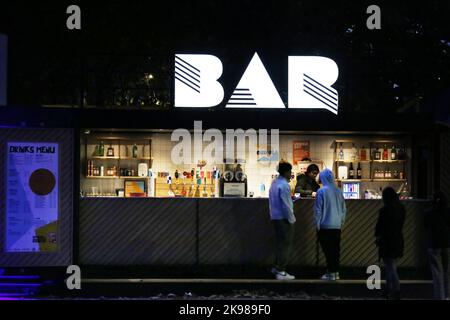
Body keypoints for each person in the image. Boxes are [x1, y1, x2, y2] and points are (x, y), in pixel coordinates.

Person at [314, 168, 346, 281]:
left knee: (327, 251)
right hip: (336, 226)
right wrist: (341, 222)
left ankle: (331, 273)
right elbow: (343, 209)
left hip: (325, 226)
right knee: (335, 250)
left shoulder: (321, 192)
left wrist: (317, 225)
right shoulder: (338, 191)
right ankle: (335, 272)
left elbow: (318, 211)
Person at [375, 187, 406, 300]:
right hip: (397, 239)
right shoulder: (401, 209)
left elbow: (379, 227)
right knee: (391, 265)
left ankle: (396, 290)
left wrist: (378, 236)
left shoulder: (384, 210)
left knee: (390, 266)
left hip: (387, 241)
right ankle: (388, 290)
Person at [269, 161, 296, 280]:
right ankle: (281, 271)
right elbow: (286, 205)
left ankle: (276, 267)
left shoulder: (275, 183)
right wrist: (292, 219)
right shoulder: (284, 185)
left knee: (279, 244)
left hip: (275, 217)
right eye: (290, 171)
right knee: (286, 245)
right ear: (286, 172)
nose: (291, 174)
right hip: (284, 219)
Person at [424, 191, 450, 300]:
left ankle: (440, 297)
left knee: (437, 273)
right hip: (447, 243)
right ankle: (447, 295)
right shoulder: (448, 212)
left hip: (433, 244)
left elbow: (425, 226)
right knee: (447, 272)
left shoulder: (428, 213)